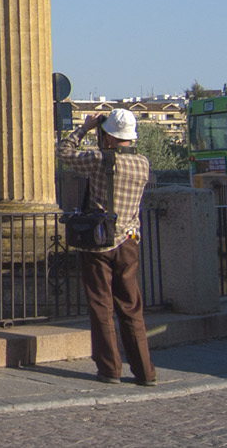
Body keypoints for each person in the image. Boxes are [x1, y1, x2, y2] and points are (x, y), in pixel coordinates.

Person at [55, 109, 157, 386]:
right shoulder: (143, 163)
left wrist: (84, 129)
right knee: (130, 307)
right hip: (128, 242)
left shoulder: (98, 159)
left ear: (108, 137)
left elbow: (63, 152)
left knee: (101, 306)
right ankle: (145, 372)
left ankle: (110, 369)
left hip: (97, 244)